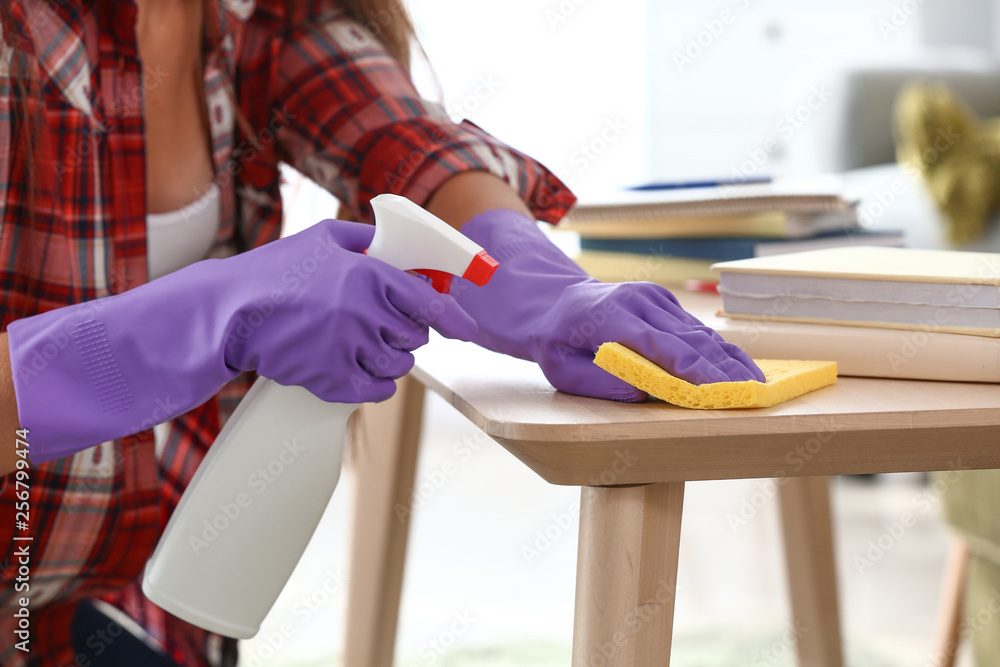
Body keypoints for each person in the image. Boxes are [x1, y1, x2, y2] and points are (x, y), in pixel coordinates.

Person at [0, 0, 765, 663]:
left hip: (67, 625)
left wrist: (531, 280)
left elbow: (394, 136)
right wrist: (181, 327)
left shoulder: (245, 17)